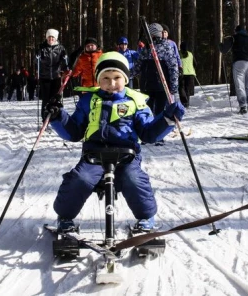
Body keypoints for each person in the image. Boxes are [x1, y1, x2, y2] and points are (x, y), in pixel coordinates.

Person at [44, 52, 185, 232]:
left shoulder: (136, 102)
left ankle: (146, 217)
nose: (111, 84)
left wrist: (167, 118)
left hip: (127, 156)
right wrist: (57, 117)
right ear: (97, 80)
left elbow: (149, 133)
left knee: (133, 179)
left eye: (117, 77)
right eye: (105, 78)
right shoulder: (88, 101)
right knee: (80, 178)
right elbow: (73, 131)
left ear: (125, 79)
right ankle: (64, 217)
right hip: (93, 155)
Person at [132, 23, 179, 146]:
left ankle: (158, 135)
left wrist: (173, 86)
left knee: (159, 110)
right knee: (146, 110)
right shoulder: (146, 49)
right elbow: (138, 66)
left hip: (161, 86)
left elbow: (173, 68)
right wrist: (125, 76)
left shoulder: (166, 47)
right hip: (147, 85)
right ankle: (146, 134)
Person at [34, 29, 68, 120]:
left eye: (52, 37)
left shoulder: (60, 48)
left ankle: (56, 116)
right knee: (46, 99)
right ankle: (45, 118)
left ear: (55, 38)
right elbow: (36, 62)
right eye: (49, 37)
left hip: (56, 76)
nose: (51, 39)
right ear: (46, 38)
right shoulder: (42, 48)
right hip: (45, 77)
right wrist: (37, 56)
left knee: (55, 98)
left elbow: (65, 63)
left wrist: (65, 59)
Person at [231, 25, 248, 114]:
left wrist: (221, 46)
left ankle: (243, 107)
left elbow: (224, 49)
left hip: (240, 62)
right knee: (247, 85)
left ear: (236, 31)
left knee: (240, 84)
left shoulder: (234, 38)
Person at [178, 42, 197, 108]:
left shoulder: (178, 53)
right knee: (187, 89)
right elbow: (195, 63)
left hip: (181, 73)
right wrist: (192, 69)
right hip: (190, 73)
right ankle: (187, 103)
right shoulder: (190, 54)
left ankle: (183, 102)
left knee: (181, 88)